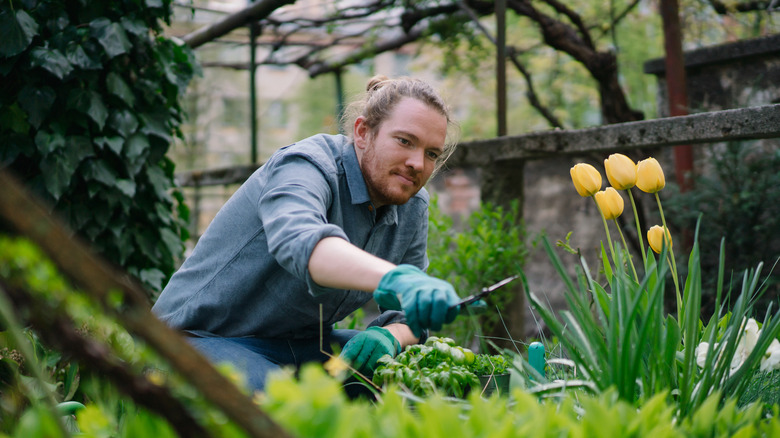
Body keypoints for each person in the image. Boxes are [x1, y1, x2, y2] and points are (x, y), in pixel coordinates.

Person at [152, 74, 463, 394]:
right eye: (404, 141)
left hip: (300, 346)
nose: (417, 163)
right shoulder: (307, 165)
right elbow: (302, 242)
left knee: (419, 378)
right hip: (198, 338)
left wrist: (389, 336)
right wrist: (395, 278)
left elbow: (408, 318)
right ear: (362, 132)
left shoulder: (413, 206)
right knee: (277, 404)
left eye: (431, 154)